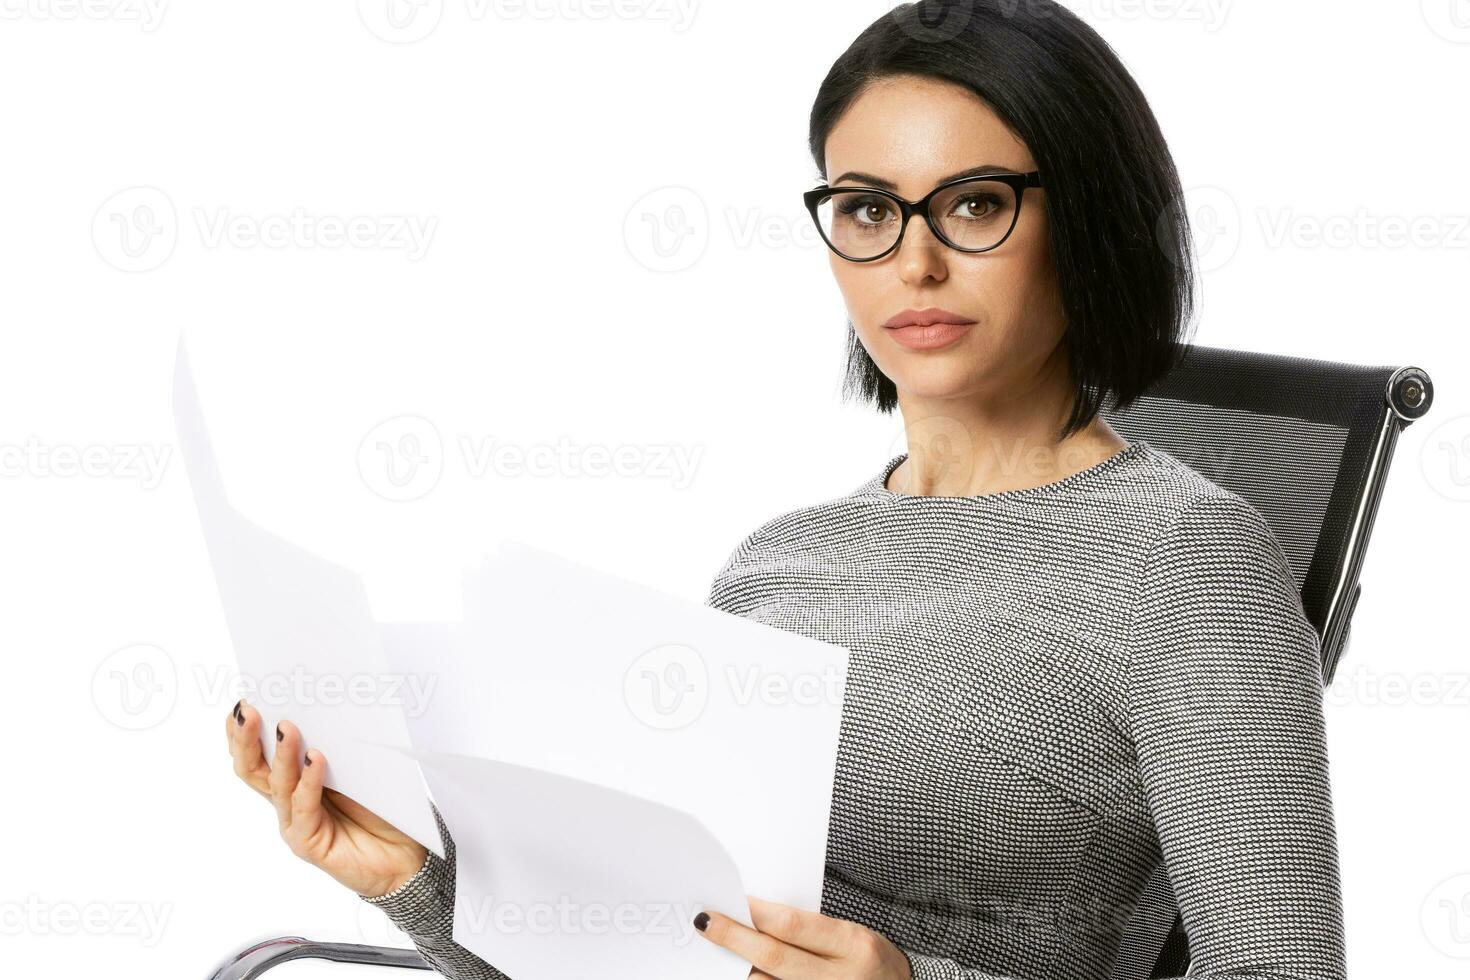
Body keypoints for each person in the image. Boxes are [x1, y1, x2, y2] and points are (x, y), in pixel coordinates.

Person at [223, 2, 1347, 977]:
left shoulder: (1189, 561)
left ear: (1088, 221)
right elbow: (655, 949)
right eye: (868, 209)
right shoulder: (781, 555)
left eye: (974, 205)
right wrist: (411, 878)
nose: (914, 263)